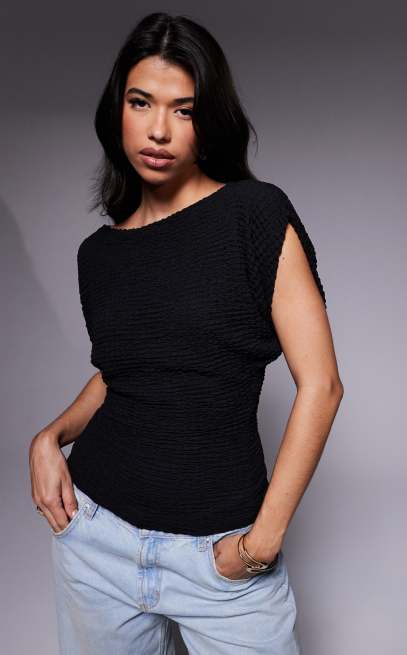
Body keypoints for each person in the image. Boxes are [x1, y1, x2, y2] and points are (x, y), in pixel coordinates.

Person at [28, 12, 344, 655]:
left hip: (220, 559)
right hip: (96, 542)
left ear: (210, 121)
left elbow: (322, 385)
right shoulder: (99, 253)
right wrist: (51, 436)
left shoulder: (253, 214)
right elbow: (124, 372)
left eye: (184, 110)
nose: (159, 130)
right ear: (117, 110)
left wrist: (261, 543)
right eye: (141, 102)